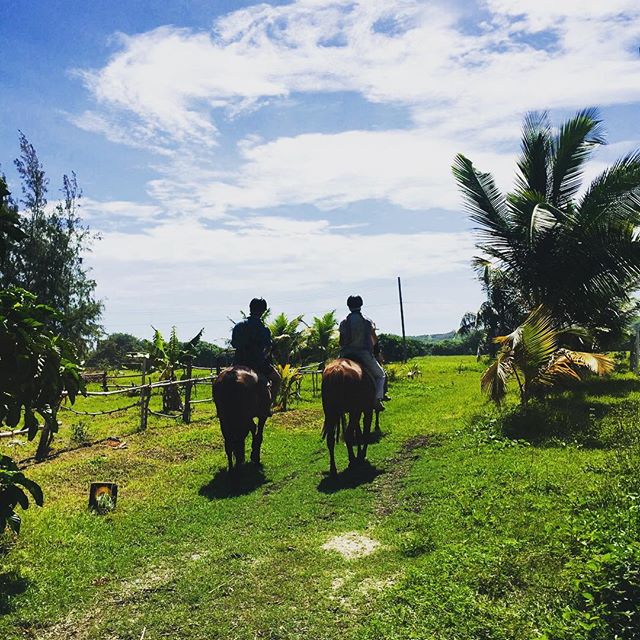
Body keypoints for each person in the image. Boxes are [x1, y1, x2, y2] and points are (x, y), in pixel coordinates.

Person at [338, 295, 387, 411]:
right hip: (363, 354)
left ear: (348, 306)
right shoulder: (367, 321)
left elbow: (340, 342)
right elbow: (374, 340)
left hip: (345, 354)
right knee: (381, 375)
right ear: (361, 305)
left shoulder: (343, 322)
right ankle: (377, 399)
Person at [231, 298, 281, 407]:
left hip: (238, 362)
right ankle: (268, 405)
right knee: (277, 379)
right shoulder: (264, 329)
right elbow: (267, 348)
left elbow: (234, 344)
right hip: (257, 363)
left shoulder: (239, 326)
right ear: (263, 311)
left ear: (250, 308)